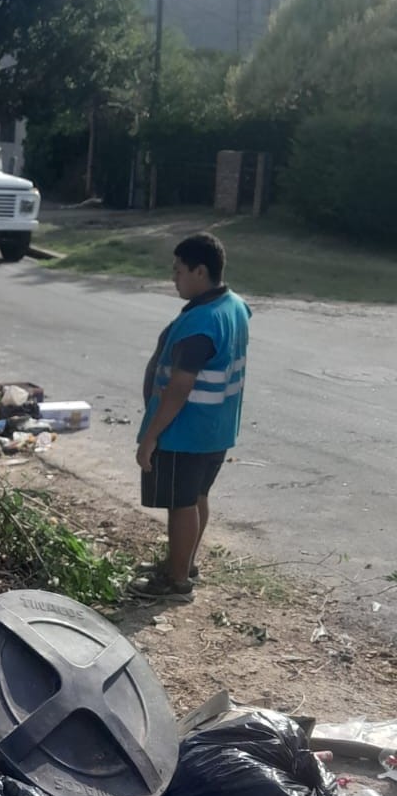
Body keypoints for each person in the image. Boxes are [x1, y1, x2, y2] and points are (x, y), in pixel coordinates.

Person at [132, 232, 251, 601]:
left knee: (180, 504)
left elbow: (180, 387)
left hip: (185, 430)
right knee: (197, 496)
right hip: (215, 429)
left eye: (179, 270)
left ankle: (177, 582)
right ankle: (184, 563)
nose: (174, 277)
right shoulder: (234, 306)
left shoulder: (201, 324)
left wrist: (151, 435)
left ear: (201, 272)